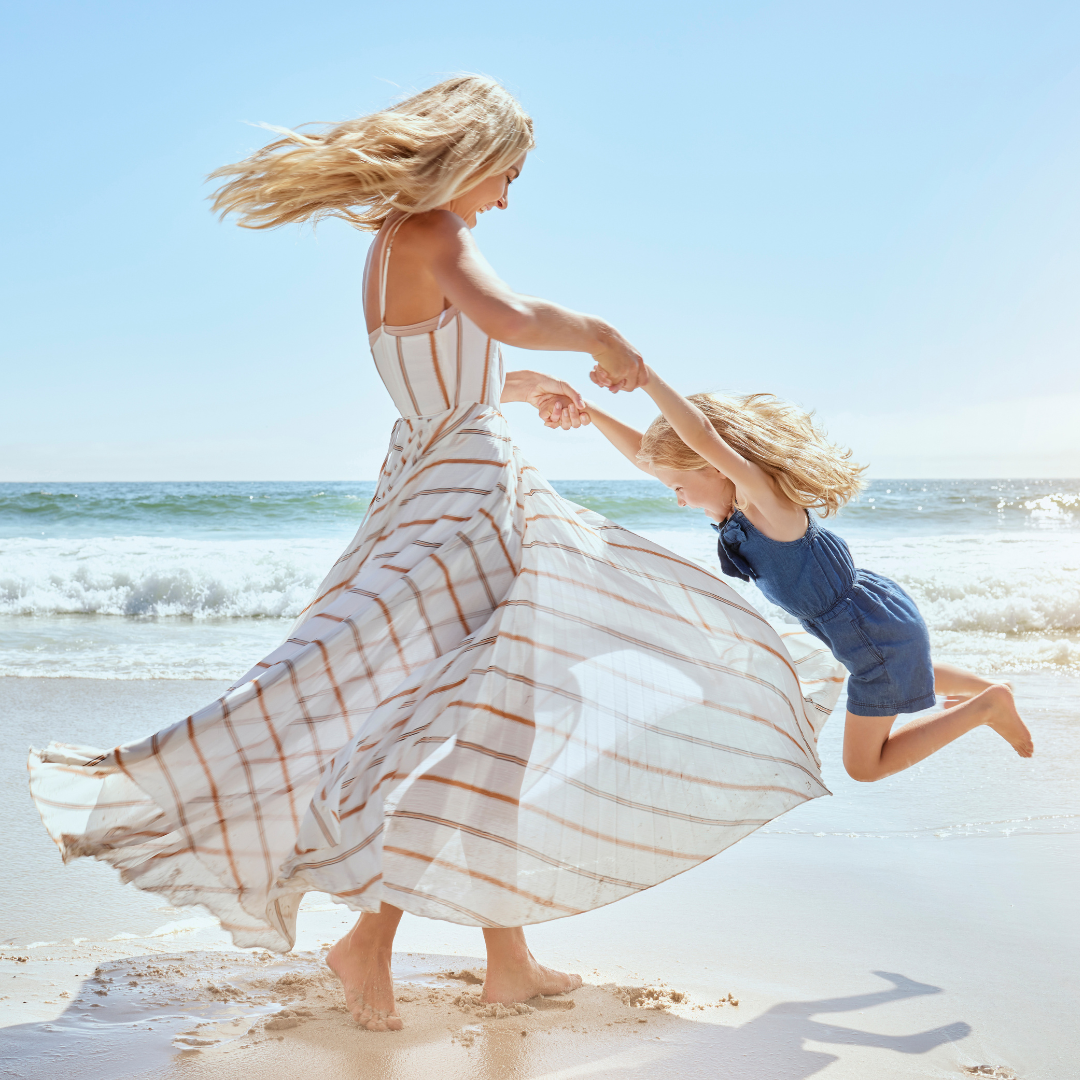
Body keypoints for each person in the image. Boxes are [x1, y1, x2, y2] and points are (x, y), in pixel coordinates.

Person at [28, 76, 845, 1033]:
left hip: (433, 472)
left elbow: (462, 360)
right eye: (509, 176)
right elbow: (504, 318)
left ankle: (508, 957)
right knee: (474, 713)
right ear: (476, 156)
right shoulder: (437, 235)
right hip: (468, 493)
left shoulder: (391, 247)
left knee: (505, 704)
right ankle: (373, 937)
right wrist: (601, 336)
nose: (507, 198)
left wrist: (533, 385)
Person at [554, 364, 1034, 784]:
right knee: (897, 668)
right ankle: (994, 693)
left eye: (679, 485)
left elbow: (700, 436)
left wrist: (647, 380)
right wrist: (590, 411)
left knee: (865, 766)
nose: (676, 496)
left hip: (870, 635)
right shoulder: (736, 508)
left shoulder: (767, 505)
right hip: (872, 626)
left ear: (714, 466)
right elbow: (652, 456)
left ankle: (986, 707)